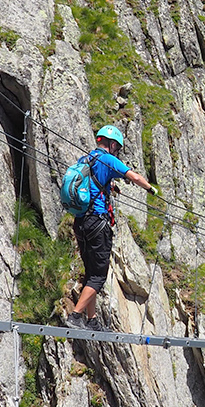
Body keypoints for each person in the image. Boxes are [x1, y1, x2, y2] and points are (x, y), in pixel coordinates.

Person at [66, 125, 158, 332]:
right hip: (98, 224)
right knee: (98, 276)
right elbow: (133, 176)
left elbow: (92, 184)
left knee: (91, 274)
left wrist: (110, 187)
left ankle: (91, 320)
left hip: (81, 223)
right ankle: (75, 315)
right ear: (113, 144)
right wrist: (150, 189)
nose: (117, 151)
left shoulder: (86, 159)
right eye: (117, 148)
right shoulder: (107, 159)